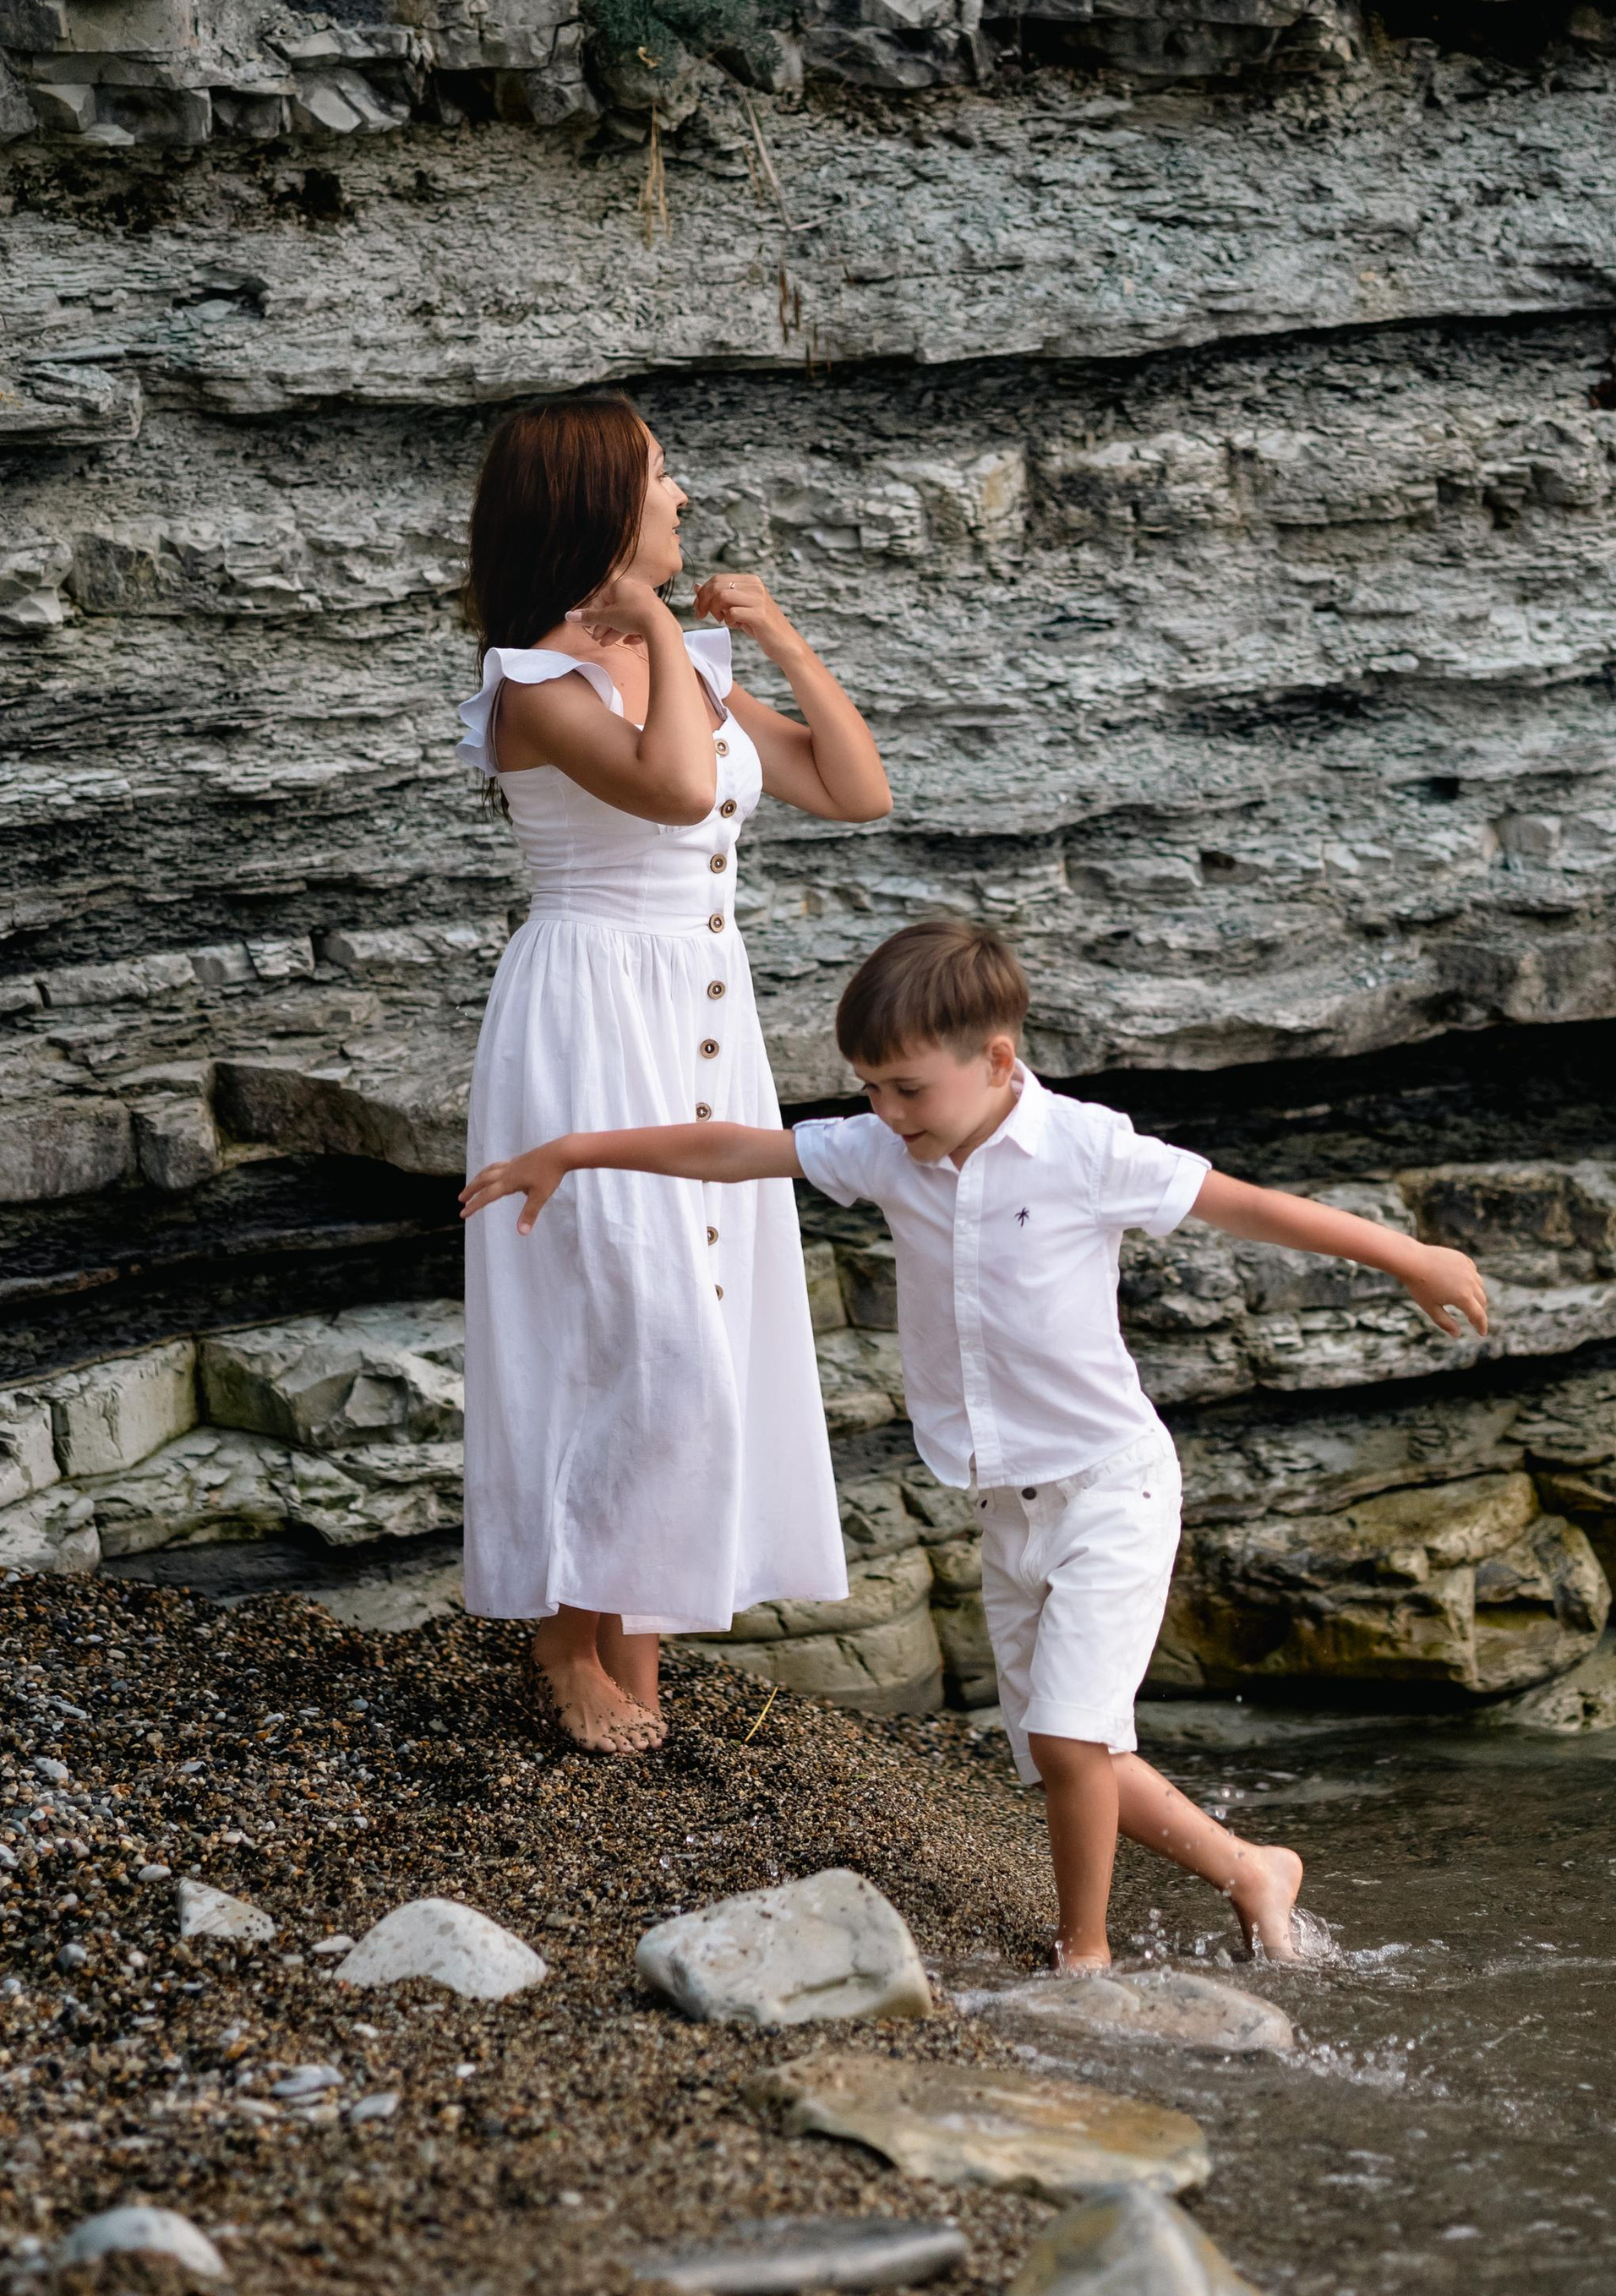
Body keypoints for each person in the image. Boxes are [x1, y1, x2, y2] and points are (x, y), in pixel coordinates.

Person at [460, 919, 1488, 1960]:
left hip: (1111, 1488)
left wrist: (1409, 1257)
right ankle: (1248, 1868)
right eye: (869, 1088)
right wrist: (576, 1151)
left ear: (996, 1061)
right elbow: (735, 1150)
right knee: (1060, 1760)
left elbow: (1247, 1205)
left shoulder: (1089, 1149)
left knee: (1068, 1739)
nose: (884, 1111)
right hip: (1010, 1509)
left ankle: (1083, 1957)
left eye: (907, 1088)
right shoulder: (887, 1153)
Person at [456, 390, 890, 1754]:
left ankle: (633, 1644)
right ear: (597, 505)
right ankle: (558, 1638)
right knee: (615, 1327)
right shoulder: (531, 685)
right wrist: (649, 626)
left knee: (695, 1326)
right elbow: (678, 794)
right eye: (660, 478)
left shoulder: (697, 662)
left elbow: (852, 791)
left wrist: (767, 641)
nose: (684, 498)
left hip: (705, 1012)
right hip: (588, 1014)